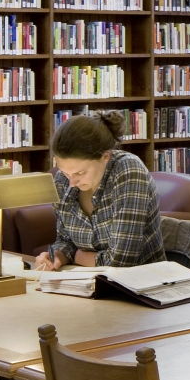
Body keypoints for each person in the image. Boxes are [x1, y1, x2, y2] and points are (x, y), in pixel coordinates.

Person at [33, 112, 166, 270]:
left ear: (105, 157)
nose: (72, 183)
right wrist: (57, 255)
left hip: (139, 281)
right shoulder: (62, 181)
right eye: (66, 173)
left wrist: (76, 256)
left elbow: (121, 261)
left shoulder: (128, 170)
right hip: (84, 279)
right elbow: (65, 240)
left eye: (81, 173)